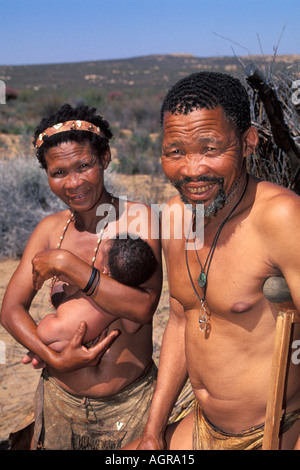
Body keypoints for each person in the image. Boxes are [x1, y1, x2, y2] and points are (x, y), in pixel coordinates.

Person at [124, 71, 300, 451]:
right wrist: (153, 431)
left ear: (248, 142)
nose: (192, 169)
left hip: (276, 432)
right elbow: (179, 317)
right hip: (202, 426)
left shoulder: (280, 218)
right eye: (176, 151)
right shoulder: (173, 216)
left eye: (210, 148)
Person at [0, 104, 162, 450]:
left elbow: (143, 308)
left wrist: (66, 263)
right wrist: (51, 354)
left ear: (104, 157)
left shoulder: (139, 220)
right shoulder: (49, 230)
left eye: (84, 165)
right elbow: (11, 308)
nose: (73, 183)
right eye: (58, 172)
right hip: (60, 402)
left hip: (129, 408)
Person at [37, 235, 158, 351]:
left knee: (47, 327)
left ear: (104, 270)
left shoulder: (93, 279)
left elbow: (65, 276)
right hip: (74, 340)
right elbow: (131, 328)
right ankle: (45, 351)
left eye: (99, 253)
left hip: (50, 328)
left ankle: (40, 352)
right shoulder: (122, 302)